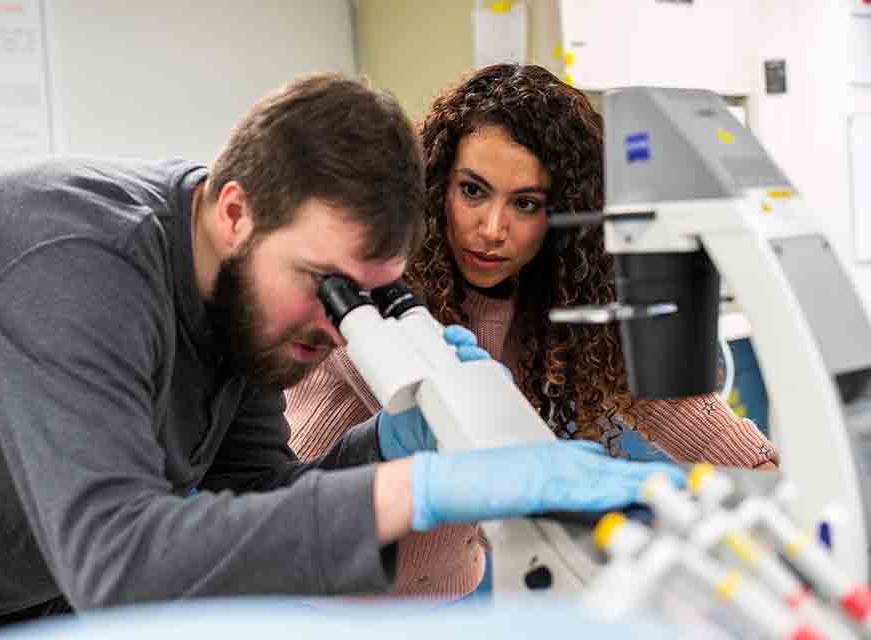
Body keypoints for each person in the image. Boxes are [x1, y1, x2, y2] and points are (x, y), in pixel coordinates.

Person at [0, 73, 683, 638]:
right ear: (238, 210)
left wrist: (386, 448)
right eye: (328, 285)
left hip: (34, 594)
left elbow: (260, 495)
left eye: (371, 297)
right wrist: (416, 489)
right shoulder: (69, 267)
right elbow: (116, 558)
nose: (341, 326)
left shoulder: (239, 286)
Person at [286, 64, 779, 599]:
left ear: (562, 215)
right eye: (473, 191)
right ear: (435, 186)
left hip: (445, 599)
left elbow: (676, 405)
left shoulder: (556, 298)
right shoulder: (377, 286)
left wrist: (777, 483)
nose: (493, 230)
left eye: (525, 204)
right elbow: (464, 428)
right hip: (316, 586)